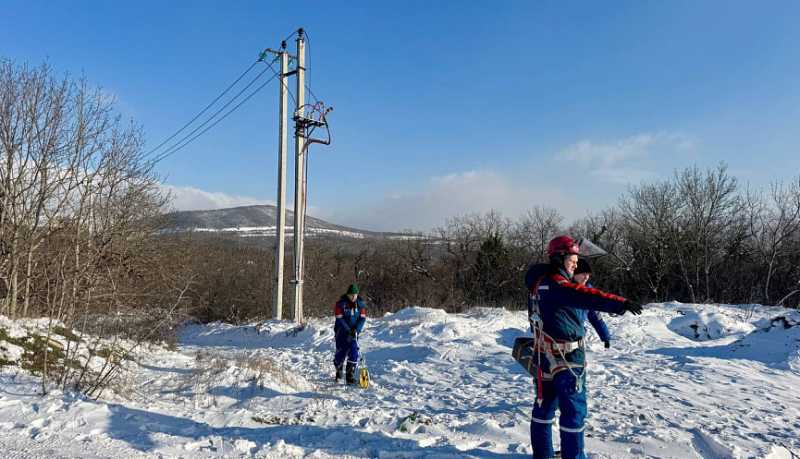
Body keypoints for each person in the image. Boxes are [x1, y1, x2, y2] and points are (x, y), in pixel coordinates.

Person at [524, 236, 643, 459]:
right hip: (566, 356)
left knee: (544, 407)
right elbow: (585, 296)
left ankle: (543, 455)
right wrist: (621, 303)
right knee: (574, 413)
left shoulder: (539, 282)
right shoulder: (557, 284)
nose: (576, 264)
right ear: (560, 258)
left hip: (544, 356)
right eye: (573, 259)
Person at [573, 259, 612, 349]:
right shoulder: (563, 289)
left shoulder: (589, 292)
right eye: (583, 274)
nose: (586, 277)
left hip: (578, 337)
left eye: (588, 274)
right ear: (574, 273)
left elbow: (595, 317)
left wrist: (605, 337)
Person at [333, 283, 366, 384]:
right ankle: (338, 370)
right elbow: (339, 319)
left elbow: (362, 318)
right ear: (347, 295)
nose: (353, 297)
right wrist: (348, 330)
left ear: (357, 295)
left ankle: (349, 375)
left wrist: (356, 329)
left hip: (354, 333)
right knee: (341, 353)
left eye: (354, 295)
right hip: (341, 332)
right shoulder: (340, 304)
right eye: (351, 295)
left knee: (354, 352)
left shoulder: (360, 304)